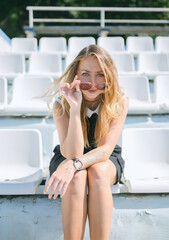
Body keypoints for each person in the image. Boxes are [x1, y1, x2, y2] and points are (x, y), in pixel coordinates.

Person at [44, 44, 128, 240]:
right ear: (76, 75)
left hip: (103, 156)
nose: (92, 82)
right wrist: (75, 108)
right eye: (85, 74)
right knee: (77, 177)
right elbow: (72, 153)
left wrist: (74, 165)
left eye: (100, 74)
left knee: (97, 172)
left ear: (109, 76)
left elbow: (105, 150)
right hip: (67, 154)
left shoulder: (119, 102)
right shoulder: (61, 105)